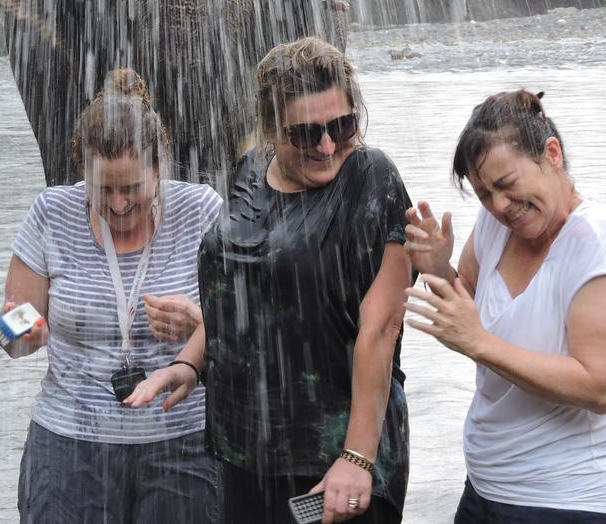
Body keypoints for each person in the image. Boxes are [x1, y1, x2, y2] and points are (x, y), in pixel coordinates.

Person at [128, 37, 414, 524]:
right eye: (305, 134)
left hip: (335, 454)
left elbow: (382, 327)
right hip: (243, 448)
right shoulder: (249, 171)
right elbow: (237, 297)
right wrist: (190, 364)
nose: (327, 146)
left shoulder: (370, 176)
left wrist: (358, 457)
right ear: (270, 129)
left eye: (342, 126)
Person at [403, 89, 606, 523]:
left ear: (551, 154)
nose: (500, 206)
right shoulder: (495, 228)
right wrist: (438, 270)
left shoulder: (599, 244)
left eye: (507, 185)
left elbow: (600, 387)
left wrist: (480, 344)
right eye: (483, 194)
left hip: (578, 499)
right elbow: (465, 320)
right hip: (487, 487)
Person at [0, 68, 222, 523]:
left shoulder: (201, 211)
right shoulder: (53, 213)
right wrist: (22, 332)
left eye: (132, 188)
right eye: (104, 190)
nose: (119, 204)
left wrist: (199, 320)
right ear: (83, 172)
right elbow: (9, 325)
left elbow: (246, 323)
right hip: (68, 445)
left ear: (159, 168)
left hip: (183, 444)